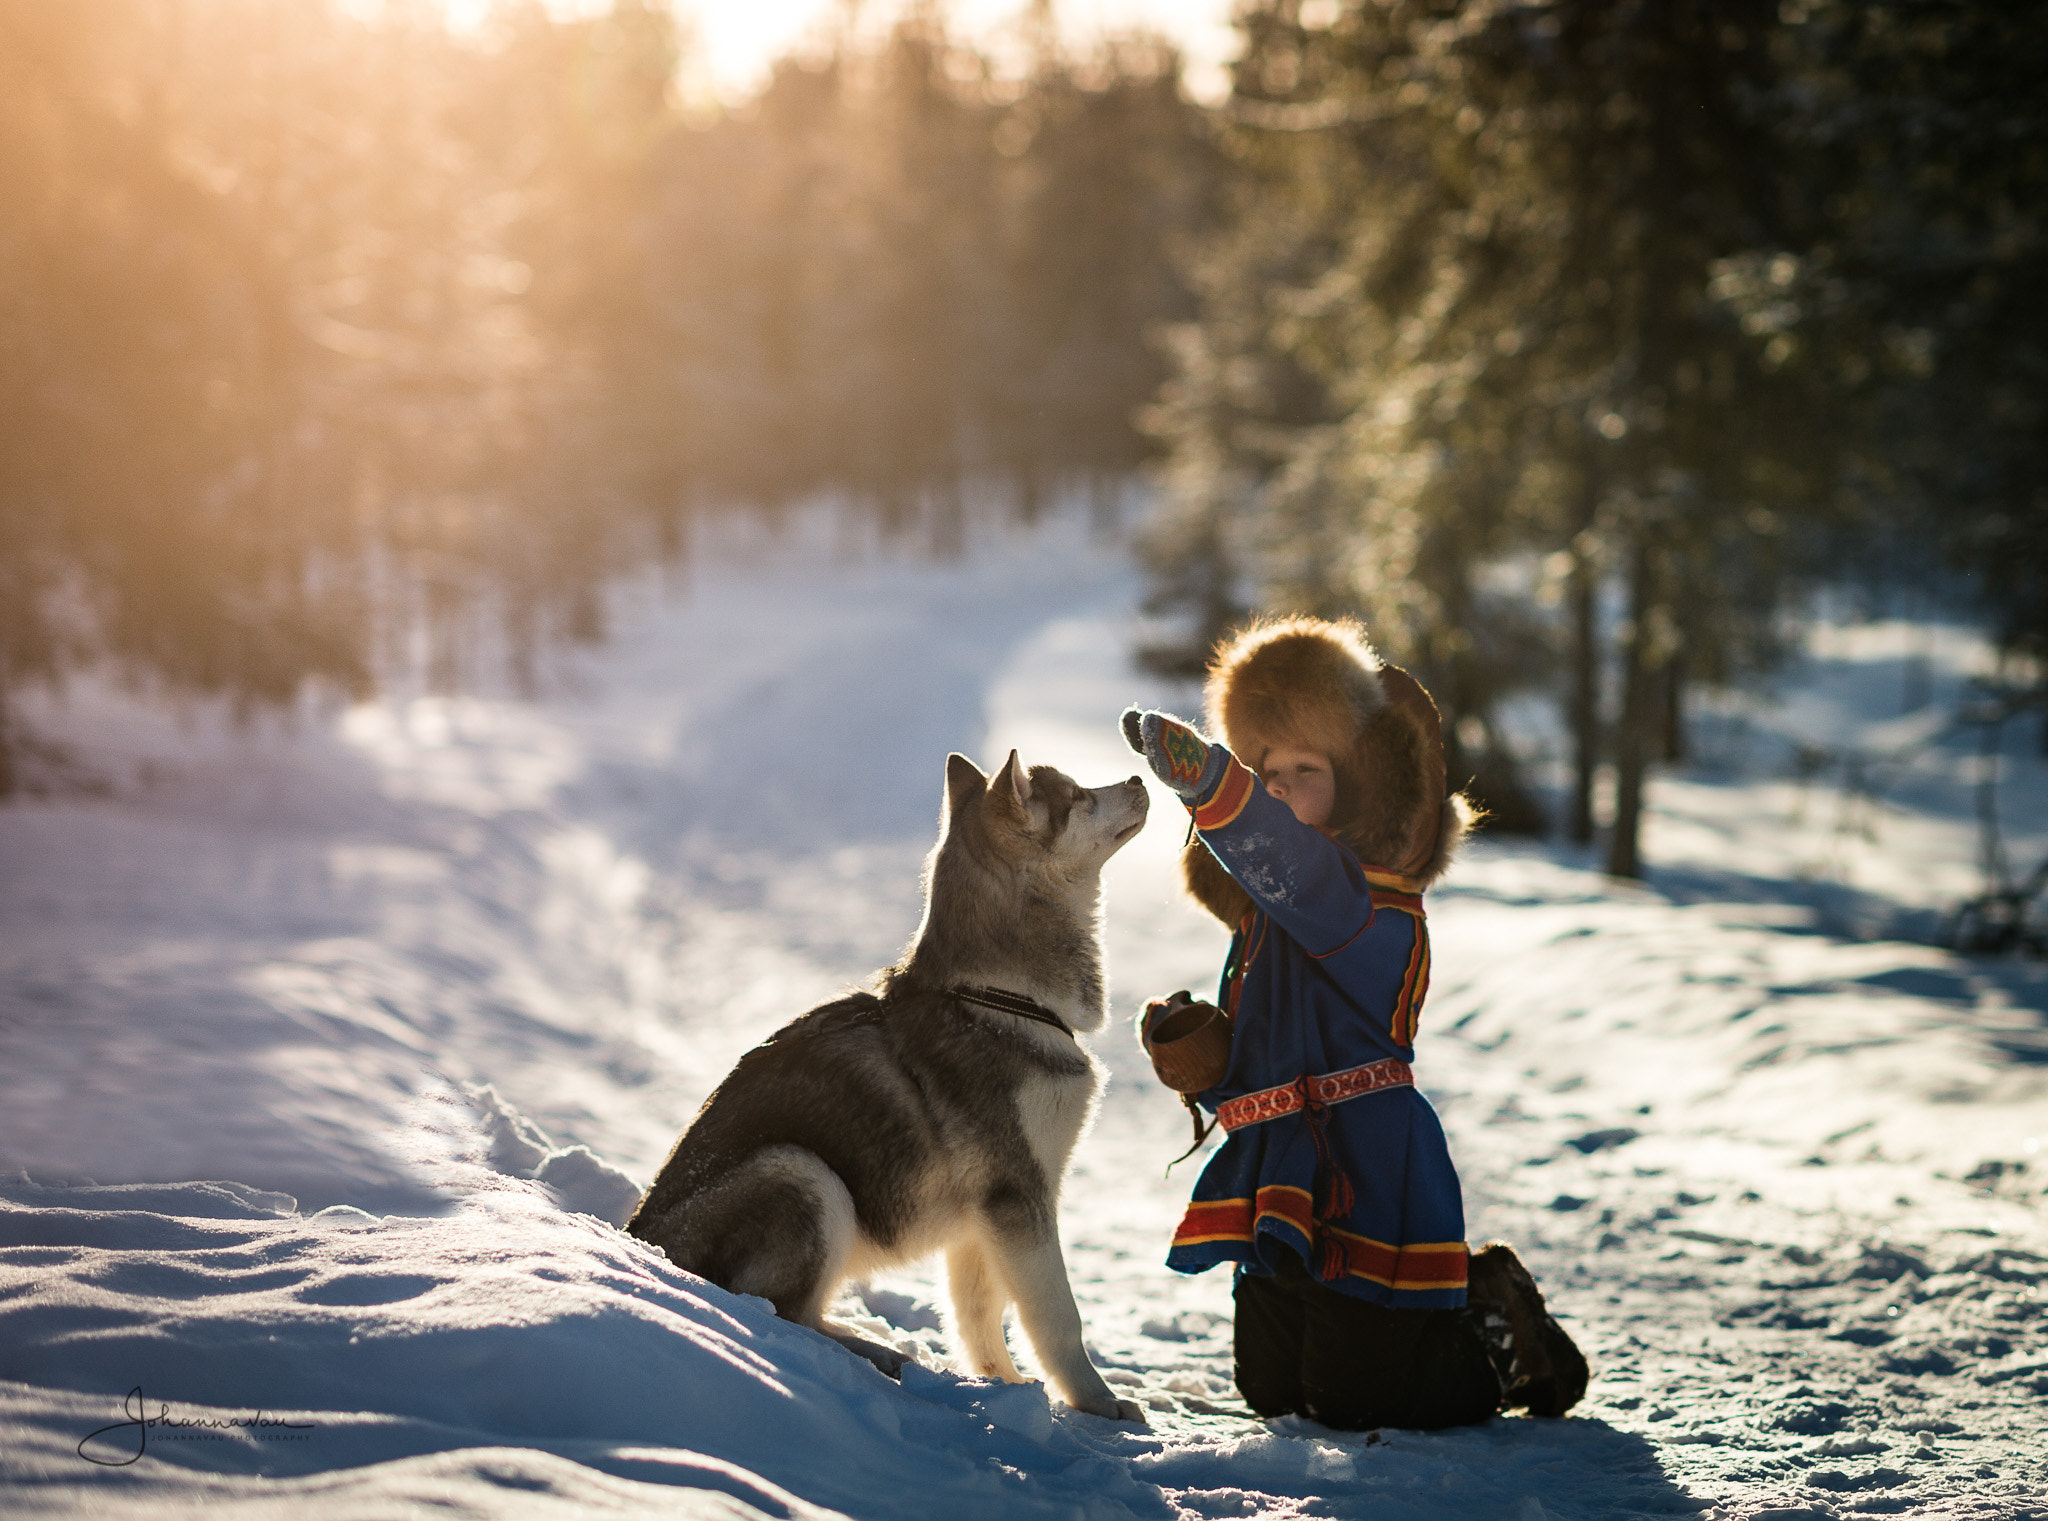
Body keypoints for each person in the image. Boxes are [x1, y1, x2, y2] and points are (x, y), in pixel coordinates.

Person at [1121, 616, 1587, 1431]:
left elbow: (1299, 877)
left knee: (1353, 1400)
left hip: (1369, 1167)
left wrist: (1212, 782)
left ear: (1355, 781)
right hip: (1280, 1158)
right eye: (1266, 772)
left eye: (1307, 769)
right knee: (1270, 1389)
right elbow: (1274, 1032)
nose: (1281, 787)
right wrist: (1210, 1049)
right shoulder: (1265, 918)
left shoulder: (1371, 902)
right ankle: (1416, 1326)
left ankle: (1494, 1327)